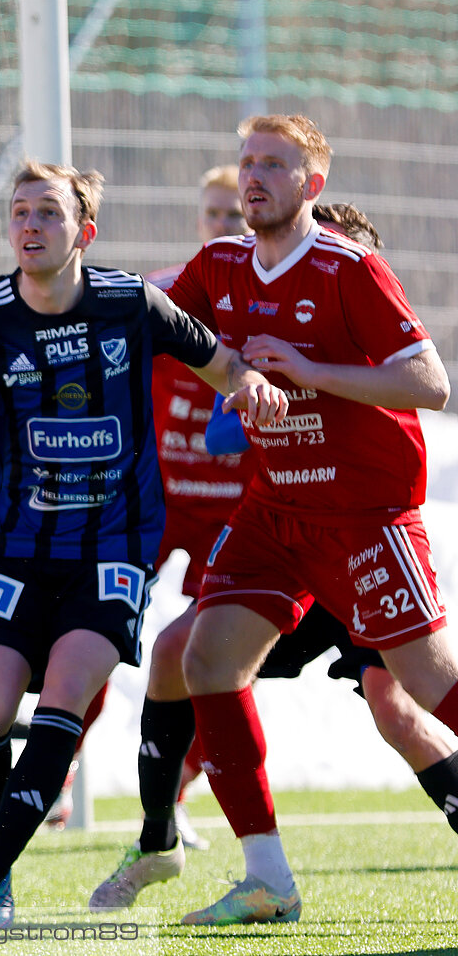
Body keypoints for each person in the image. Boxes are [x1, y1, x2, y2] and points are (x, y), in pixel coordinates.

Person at [0, 161, 286, 934]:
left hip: (113, 548)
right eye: (19, 212)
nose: (30, 225)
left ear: (83, 231)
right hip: (16, 551)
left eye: (48, 214)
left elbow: (220, 362)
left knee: (66, 696)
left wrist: (250, 385)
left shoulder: (131, 302)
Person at [91, 195, 458, 910]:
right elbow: (213, 401)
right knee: (184, 654)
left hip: (357, 534)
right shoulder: (234, 301)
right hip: (283, 533)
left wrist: (302, 376)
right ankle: (181, 842)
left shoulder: (359, 312)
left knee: (401, 706)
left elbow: (425, 386)